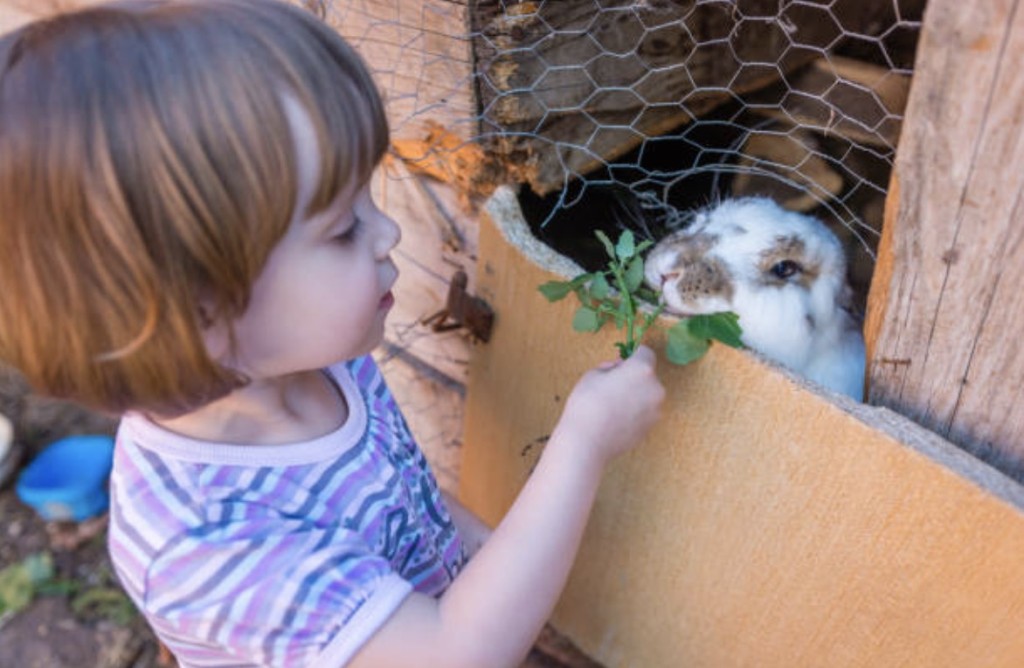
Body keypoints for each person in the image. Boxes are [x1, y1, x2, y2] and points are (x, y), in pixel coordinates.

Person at [0, 1, 665, 666]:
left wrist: (493, 553)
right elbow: (454, 656)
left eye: (367, 196)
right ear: (201, 315)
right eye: (342, 229)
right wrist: (581, 444)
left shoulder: (317, 364)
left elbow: (408, 504)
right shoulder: (211, 542)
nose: (389, 232)